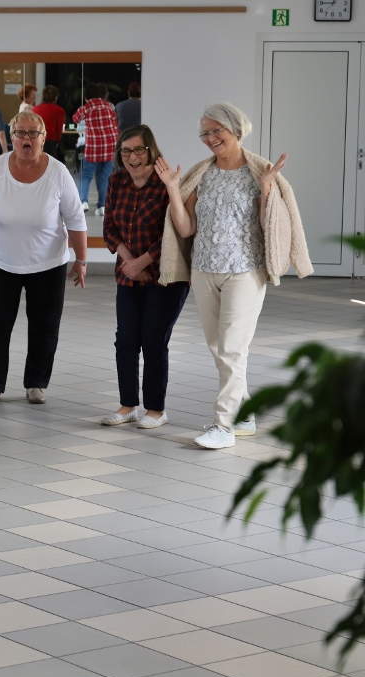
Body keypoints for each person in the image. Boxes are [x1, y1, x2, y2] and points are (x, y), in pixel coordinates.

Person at [156, 102, 312, 449]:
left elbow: (268, 226)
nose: (210, 138)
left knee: (231, 347)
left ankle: (223, 424)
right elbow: (185, 228)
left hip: (245, 270)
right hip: (204, 270)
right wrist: (172, 188)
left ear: (236, 129)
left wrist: (268, 187)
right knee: (218, 347)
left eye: (217, 131)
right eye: (205, 133)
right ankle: (243, 413)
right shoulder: (202, 173)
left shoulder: (260, 173)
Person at [0, 112, 88, 406]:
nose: (26, 139)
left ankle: (36, 383)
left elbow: (75, 218)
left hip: (48, 262)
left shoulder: (59, 172)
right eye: (20, 133)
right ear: (11, 137)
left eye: (32, 133)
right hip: (0, 260)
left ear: (43, 138)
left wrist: (82, 260)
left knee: (45, 325)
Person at [100, 126, 189, 430]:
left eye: (139, 150)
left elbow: (175, 233)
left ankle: (156, 409)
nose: (132, 157)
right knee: (125, 340)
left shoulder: (166, 184)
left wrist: (142, 261)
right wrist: (129, 261)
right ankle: (128, 406)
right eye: (126, 151)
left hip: (166, 278)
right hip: (129, 275)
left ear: (151, 151)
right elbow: (109, 226)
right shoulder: (116, 181)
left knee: (153, 340)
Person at [72, 83, 118, 215]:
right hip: (110, 146)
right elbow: (115, 123)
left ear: (87, 95)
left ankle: (83, 202)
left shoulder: (85, 108)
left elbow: (75, 119)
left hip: (93, 146)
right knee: (105, 177)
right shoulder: (109, 106)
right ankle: (102, 206)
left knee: (86, 175)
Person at [32, 84, 66, 162]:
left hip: (36, 139)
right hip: (49, 140)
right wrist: (57, 141)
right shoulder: (59, 110)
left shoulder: (35, 109)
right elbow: (59, 129)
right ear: (56, 97)